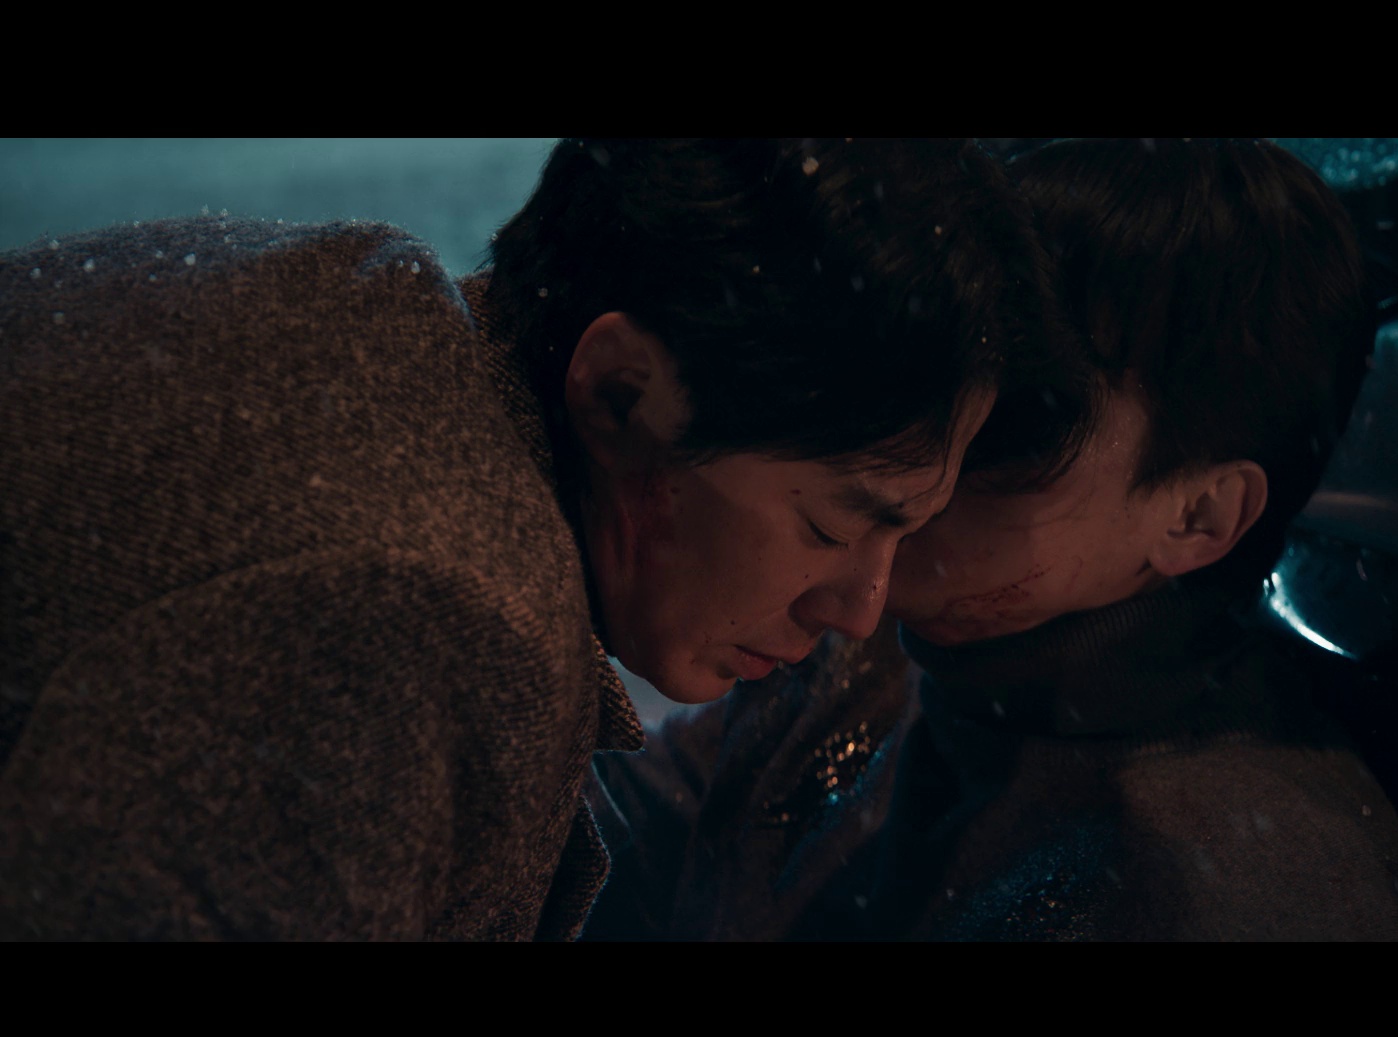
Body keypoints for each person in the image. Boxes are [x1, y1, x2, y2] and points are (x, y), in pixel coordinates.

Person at [0, 138, 1064, 940]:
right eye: (832, 524)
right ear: (621, 396)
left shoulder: (368, 326)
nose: (860, 610)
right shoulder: (427, 613)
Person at [585, 137, 1398, 941]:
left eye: (1020, 430)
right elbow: (619, 833)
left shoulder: (1251, 888)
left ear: (1199, 518)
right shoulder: (882, 648)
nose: (926, 468)